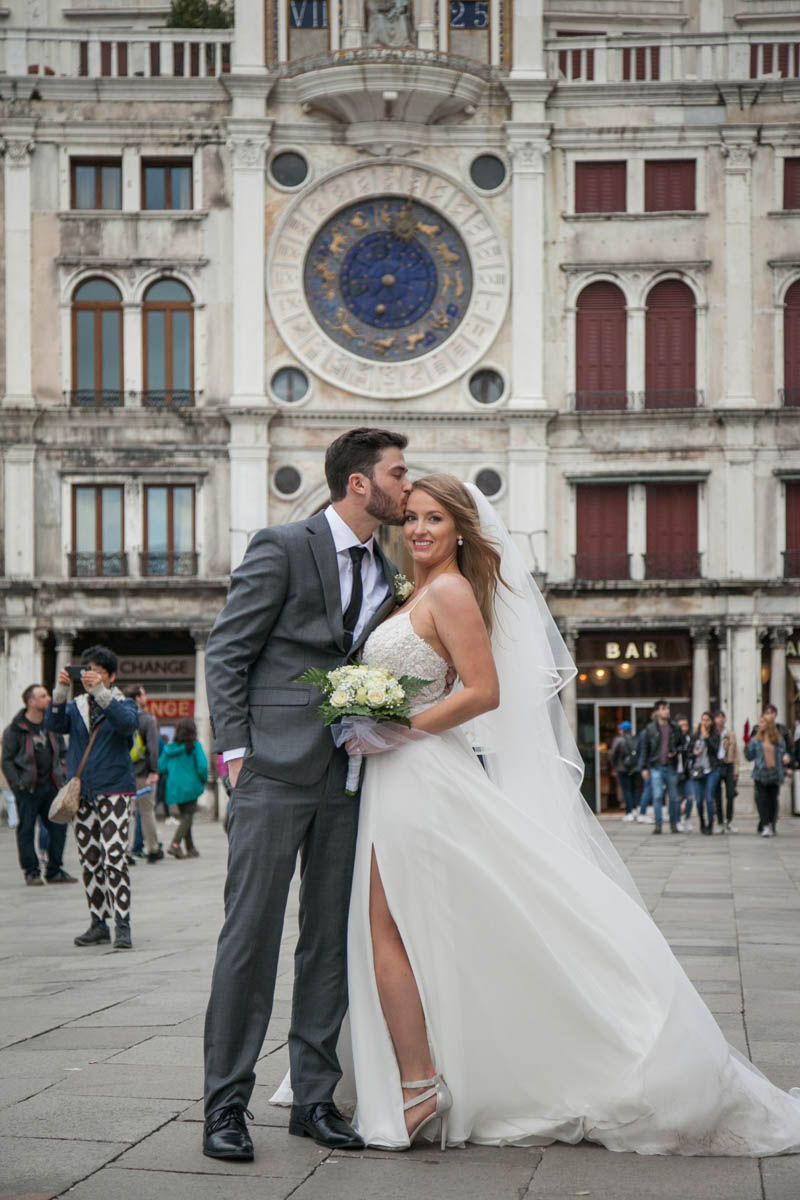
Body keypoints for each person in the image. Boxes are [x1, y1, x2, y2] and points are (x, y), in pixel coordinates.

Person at [296, 473, 800, 1156]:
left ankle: (419, 1088)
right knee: (409, 923)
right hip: (397, 774)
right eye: (410, 517)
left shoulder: (447, 592)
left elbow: (484, 692)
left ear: (460, 531)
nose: (416, 529)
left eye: (434, 520)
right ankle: (425, 1076)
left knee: (389, 924)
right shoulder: (414, 591)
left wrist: (399, 725)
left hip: (419, 771)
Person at [201, 427, 411, 1162]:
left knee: (329, 939)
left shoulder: (388, 568)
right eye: (397, 473)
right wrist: (234, 754)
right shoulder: (283, 545)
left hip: (350, 775)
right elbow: (229, 648)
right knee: (249, 937)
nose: (406, 485)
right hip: (270, 768)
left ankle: (314, 1099)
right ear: (360, 483)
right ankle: (225, 1105)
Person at [45, 646, 139, 950]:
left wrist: (101, 692)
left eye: (99, 671)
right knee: (90, 860)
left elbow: (126, 725)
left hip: (115, 790)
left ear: (112, 676)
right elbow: (54, 725)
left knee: (114, 856)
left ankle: (121, 924)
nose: (91, 675)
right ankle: (98, 922)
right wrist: (60, 689)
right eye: (88, 670)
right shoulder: (76, 706)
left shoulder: (124, 704)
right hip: (83, 794)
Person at [1, 684, 77, 887]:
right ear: (31, 702)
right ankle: (31, 872)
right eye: (43, 696)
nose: (48, 699)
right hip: (28, 788)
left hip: (52, 786)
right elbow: (6, 760)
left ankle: (54, 870)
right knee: (26, 830)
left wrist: (63, 775)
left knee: (59, 828)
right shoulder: (15, 729)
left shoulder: (52, 726)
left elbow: (63, 752)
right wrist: (17, 784)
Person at [159, 717, 208, 858]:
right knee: (187, 817)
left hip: (174, 788)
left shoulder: (169, 748)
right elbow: (203, 766)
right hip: (191, 786)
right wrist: (202, 780)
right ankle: (175, 844)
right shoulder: (194, 746)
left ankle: (190, 848)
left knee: (186, 816)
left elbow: (161, 766)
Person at [124, 685, 162, 863]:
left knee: (126, 814)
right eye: (144, 694)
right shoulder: (147, 719)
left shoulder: (120, 716)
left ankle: (125, 850)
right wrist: (154, 770)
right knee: (146, 812)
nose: (146, 697)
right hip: (142, 774)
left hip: (123, 774)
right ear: (138, 698)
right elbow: (153, 748)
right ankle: (153, 849)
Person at [638, 699, 683, 834]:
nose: (666, 711)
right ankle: (658, 825)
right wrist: (644, 767)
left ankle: (674, 824)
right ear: (657, 712)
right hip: (656, 766)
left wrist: (676, 750)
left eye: (667, 708)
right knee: (657, 796)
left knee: (673, 797)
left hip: (671, 767)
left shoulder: (675, 727)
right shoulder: (650, 728)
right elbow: (645, 749)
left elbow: (682, 744)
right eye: (663, 708)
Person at [745, 714, 787, 838]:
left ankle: (771, 823)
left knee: (772, 801)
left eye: (762, 722)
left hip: (774, 773)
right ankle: (765, 826)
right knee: (762, 801)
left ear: (769, 724)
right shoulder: (756, 740)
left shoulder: (778, 739)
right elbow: (749, 757)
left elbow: (784, 753)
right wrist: (746, 746)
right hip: (760, 773)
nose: (760, 725)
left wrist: (786, 758)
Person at [688, 712, 721, 836]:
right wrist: (694, 753)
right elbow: (688, 753)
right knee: (699, 800)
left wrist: (707, 738)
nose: (705, 722)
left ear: (711, 722)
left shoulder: (715, 735)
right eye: (703, 720)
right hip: (698, 770)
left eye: (707, 720)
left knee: (709, 799)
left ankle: (710, 824)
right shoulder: (695, 735)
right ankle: (702, 821)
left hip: (711, 770)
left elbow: (715, 750)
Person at [712, 710, 739, 833]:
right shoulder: (712, 734)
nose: (720, 720)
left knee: (730, 794)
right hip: (717, 766)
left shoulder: (731, 734)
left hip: (728, 765)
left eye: (722, 717)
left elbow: (736, 753)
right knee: (717, 795)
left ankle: (729, 820)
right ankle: (719, 821)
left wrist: (736, 770)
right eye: (718, 717)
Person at [609, 720, 637, 821]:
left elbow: (613, 754)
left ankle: (629, 812)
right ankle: (634, 809)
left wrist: (614, 766)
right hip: (633, 768)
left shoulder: (618, 740)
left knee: (626, 790)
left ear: (623, 730)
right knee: (633, 789)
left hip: (622, 768)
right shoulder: (634, 739)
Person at [673, 713, 693, 831]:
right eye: (681, 726)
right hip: (676, 772)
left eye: (686, 725)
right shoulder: (672, 739)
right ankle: (678, 820)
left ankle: (687, 819)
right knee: (677, 798)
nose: (684, 728)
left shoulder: (690, 739)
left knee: (690, 797)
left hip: (687, 772)